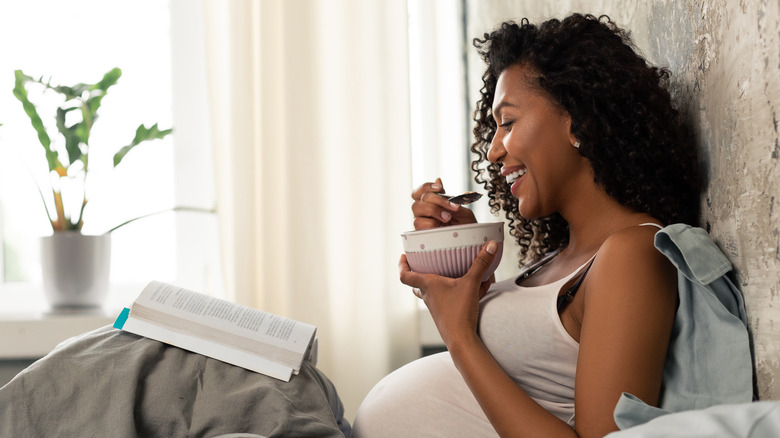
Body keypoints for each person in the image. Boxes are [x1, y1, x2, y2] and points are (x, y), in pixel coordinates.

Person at [352, 14, 711, 438]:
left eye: (508, 122)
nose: (491, 151)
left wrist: (459, 336)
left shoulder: (632, 253)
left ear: (578, 120)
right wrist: (457, 256)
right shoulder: (560, 257)